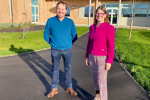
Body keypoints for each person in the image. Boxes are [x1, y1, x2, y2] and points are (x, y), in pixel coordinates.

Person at [43, 1, 78, 98]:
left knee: (68, 69)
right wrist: (53, 43)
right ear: (56, 9)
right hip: (55, 50)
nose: (60, 11)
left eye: (62, 9)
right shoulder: (50, 21)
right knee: (55, 69)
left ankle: (69, 87)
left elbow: (75, 36)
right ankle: (54, 88)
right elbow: (46, 36)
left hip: (67, 50)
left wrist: (68, 44)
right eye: (59, 9)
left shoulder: (70, 22)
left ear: (66, 10)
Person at [85, 6, 115, 100]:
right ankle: (98, 96)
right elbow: (89, 43)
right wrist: (87, 56)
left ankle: (104, 98)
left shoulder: (109, 28)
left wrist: (109, 61)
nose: (99, 15)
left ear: (105, 15)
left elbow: (111, 46)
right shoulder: (92, 27)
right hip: (91, 56)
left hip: (102, 58)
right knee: (95, 79)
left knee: (102, 81)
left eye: (102, 13)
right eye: (97, 13)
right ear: (95, 14)